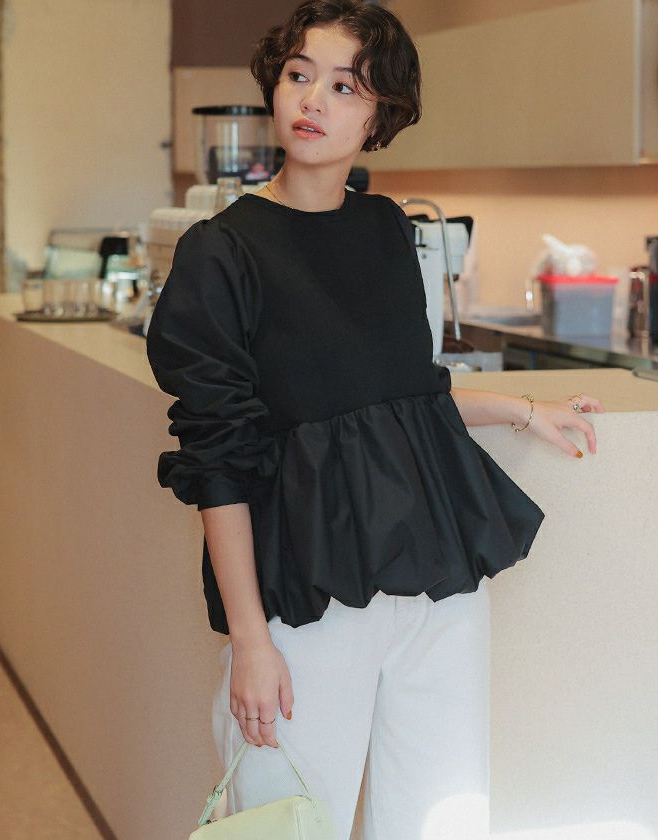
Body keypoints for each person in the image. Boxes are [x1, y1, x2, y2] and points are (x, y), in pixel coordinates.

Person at [146, 2, 606, 837]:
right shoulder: (222, 251)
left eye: (344, 86)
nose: (312, 100)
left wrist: (524, 409)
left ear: (380, 114)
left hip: (435, 580)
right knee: (290, 819)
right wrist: (250, 640)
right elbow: (217, 459)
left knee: (442, 817)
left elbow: (405, 396)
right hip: (311, 592)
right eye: (299, 75)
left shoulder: (388, 228)